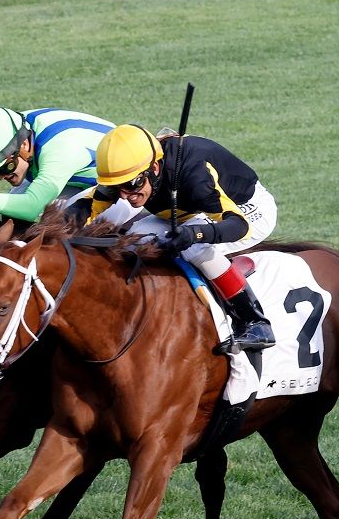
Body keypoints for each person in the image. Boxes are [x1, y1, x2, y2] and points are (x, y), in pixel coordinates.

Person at [88, 123, 277, 352]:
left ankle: (255, 321)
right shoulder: (127, 178)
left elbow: (238, 226)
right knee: (134, 237)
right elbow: (89, 210)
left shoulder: (194, 178)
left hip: (245, 211)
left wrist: (194, 234)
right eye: (117, 188)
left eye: (132, 185)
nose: (126, 196)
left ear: (154, 169)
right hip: (190, 211)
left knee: (193, 248)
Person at [0, 106, 114, 223]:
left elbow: (31, 207)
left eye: (7, 168)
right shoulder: (5, 137)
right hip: (70, 178)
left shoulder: (60, 150)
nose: (1, 178)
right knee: (12, 217)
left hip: (120, 189)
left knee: (58, 226)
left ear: (24, 145)